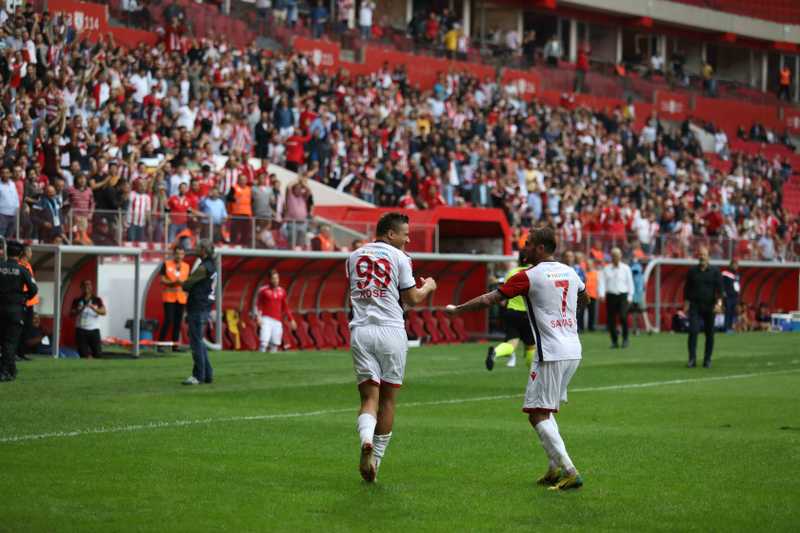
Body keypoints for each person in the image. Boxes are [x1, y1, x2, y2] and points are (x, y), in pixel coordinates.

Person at [446, 226, 587, 491]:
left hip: (550, 352)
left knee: (536, 414)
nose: (525, 248)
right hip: (573, 349)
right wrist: (565, 317)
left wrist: (458, 310)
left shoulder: (529, 276)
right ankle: (553, 468)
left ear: (541, 248)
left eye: (529, 244)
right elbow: (585, 298)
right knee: (545, 410)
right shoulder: (570, 271)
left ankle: (570, 470)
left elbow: (491, 299)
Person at [348, 212, 438, 482]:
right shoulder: (400, 258)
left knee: (368, 398)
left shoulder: (353, 256)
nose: (408, 238)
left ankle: (366, 439)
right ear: (390, 234)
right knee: (388, 399)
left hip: (361, 330)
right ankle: (375, 458)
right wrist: (429, 287)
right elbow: (411, 297)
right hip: (391, 331)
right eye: (405, 234)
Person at [485, 250, 535, 370]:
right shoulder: (533, 273)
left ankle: (495, 352)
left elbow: (504, 291)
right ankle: (534, 376)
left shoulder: (511, 273)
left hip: (511, 312)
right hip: (527, 314)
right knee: (531, 347)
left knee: (511, 344)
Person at [0, 240, 38, 381]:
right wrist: (23, 298)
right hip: (15, 311)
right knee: (10, 342)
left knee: (3, 341)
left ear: (7, 252)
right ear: (21, 254)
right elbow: (34, 289)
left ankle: (11, 370)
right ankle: (5, 372)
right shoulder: (23, 270)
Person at [181, 240, 217, 385]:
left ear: (203, 250)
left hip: (198, 306)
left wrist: (184, 284)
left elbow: (188, 284)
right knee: (199, 341)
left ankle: (198, 375)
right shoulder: (212, 266)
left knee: (195, 342)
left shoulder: (203, 267)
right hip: (205, 306)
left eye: (197, 247)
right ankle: (207, 374)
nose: (195, 248)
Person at [684, 247, 724, 368]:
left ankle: (707, 359)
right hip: (695, 305)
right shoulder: (692, 271)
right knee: (693, 331)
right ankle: (692, 359)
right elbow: (686, 289)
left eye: (704, 255)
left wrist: (719, 304)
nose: (702, 257)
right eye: (700, 255)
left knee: (710, 333)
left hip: (710, 306)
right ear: (698, 257)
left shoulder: (715, 271)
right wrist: (686, 304)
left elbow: (720, 290)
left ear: (708, 257)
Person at [598, 248, 634, 348]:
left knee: (623, 316)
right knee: (611, 319)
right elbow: (602, 282)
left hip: (623, 295)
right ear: (611, 257)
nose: (615, 257)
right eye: (613, 255)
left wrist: (630, 296)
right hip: (611, 295)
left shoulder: (626, 268)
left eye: (617, 255)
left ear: (620, 256)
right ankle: (614, 341)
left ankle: (625, 339)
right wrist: (601, 294)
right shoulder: (606, 268)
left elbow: (630, 283)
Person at [255, 270, 297, 353]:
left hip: (277, 321)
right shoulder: (263, 290)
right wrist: (258, 317)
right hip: (266, 319)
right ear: (269, 279)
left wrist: (291, 319)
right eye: (274, 278)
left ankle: (270, 363)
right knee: (264, 343)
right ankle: (259, 360)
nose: (276, 280)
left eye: (277, 278)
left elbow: (285, 307)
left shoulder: (282, 291)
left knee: (275, 344)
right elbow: (258, 305)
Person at [159, 247, 189, 351]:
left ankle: (175, 346)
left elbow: (187, 282)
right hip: (169, 297)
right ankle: (160, 344)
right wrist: (173, 283)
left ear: (184, 255)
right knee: (168, 320)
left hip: (181, 298)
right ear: (173, 254)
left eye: (181, 254)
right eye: (177, 254)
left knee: (178, 322)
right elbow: (162, 280)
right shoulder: (166, 264)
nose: (179, 256)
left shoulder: (186, 266)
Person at [70, 280, 106, 359]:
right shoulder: (77, 300)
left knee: (98, 354)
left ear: (91, 287)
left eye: (88, 285)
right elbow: (71, 314)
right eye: (84, 285)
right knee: (83, 354)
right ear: (81, 288)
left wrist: (93, 308)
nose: (86, 286)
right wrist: (80, 309)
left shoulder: (97, 300)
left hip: (94, 330)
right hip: (81, 330)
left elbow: (104, 312)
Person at [17, 244, 39, 361]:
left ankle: (21, 352)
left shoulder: (28, 266)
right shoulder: (19, 266)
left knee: (27, 328)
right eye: (30, 252)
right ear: (25, 253)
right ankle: (17, 353)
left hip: (30, 303)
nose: (31, 254)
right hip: (23, 303)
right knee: (20, 329)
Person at [721, 259, 740, 333]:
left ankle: (730, 327)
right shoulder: (725, 273)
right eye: (735, 264)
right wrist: (723, 292)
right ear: (731, 265)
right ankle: (726, 328)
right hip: (728, 296)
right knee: (727, 312)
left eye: (737, 265)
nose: (736, 266)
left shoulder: (737, 274)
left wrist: (738, 294)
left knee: (732, 312)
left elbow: (737, 285)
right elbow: (722, 283)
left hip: (735, 296)